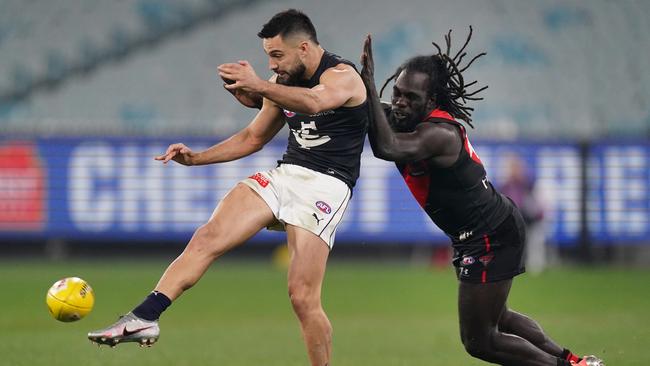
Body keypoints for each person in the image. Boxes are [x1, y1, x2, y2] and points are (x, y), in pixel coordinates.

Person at [88, 9, 367, 366]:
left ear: (304, 48)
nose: (273, 64)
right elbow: (253, 137)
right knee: (208, 236)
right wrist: (196, 158)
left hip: (326, 185)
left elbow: (314, 101)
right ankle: (145, 317)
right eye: (269, 56)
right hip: (287, 173)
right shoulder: (281, 81)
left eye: (277, 55)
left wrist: (260, 85)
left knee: (302, 297)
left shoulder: (343, 77)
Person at [359, 28, 603, 366]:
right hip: (484, 232)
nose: (399, 102)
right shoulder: (406, 118)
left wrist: (369, 84)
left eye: (410, 97)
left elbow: (388, 147)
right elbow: (366, 107)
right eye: (397, 93)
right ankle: (574, 361)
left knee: (480, 341)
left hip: (490, 236)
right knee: (499, 317)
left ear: (431, 102)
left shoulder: (439, 133)